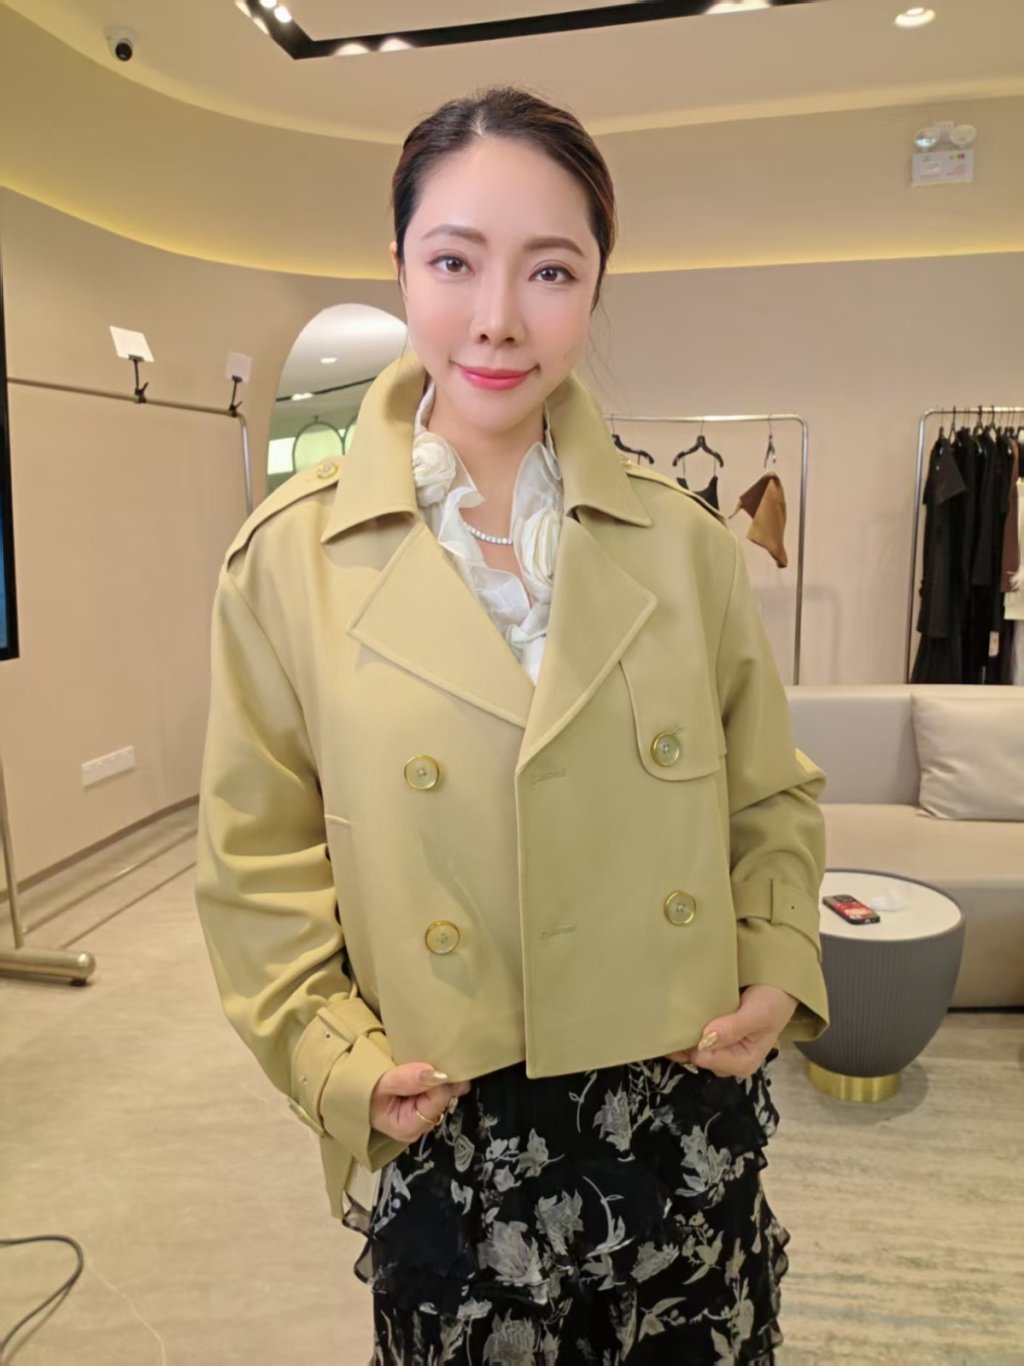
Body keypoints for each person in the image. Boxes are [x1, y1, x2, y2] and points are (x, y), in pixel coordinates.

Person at [194, 85, 830, 1365]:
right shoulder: (287, 562)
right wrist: (335, 1056)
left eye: (549, 269)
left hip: (678, 1103)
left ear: (594, 285)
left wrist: (774, 959)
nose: (496, 317)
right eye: (454, 262)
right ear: (399, 265)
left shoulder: (686, 545)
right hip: (450, 1121)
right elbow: (257, 862)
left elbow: (767, 795)